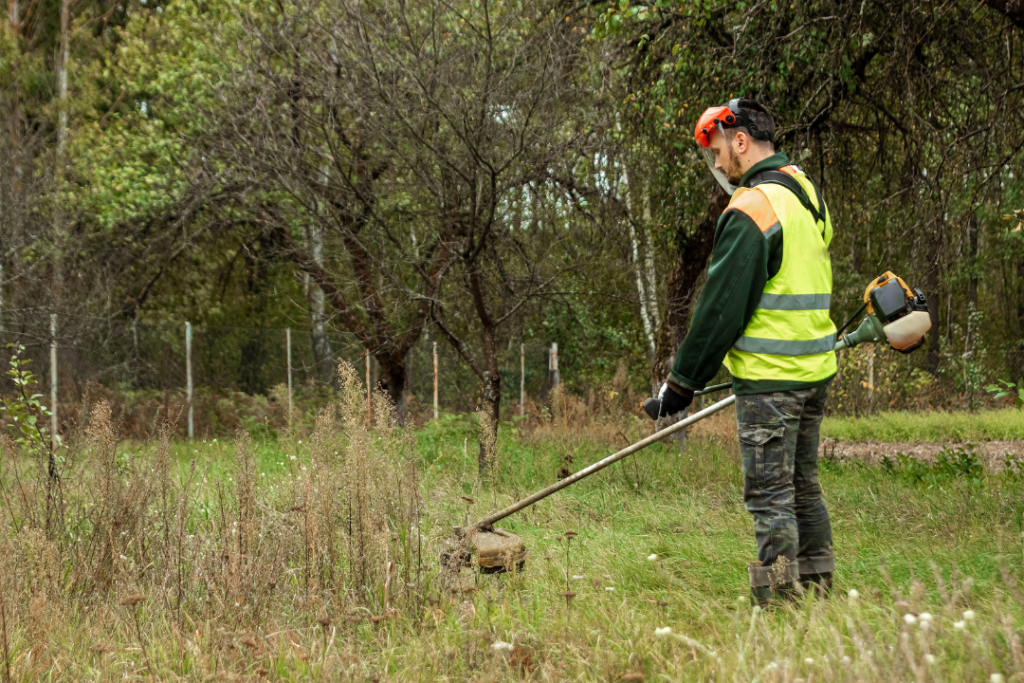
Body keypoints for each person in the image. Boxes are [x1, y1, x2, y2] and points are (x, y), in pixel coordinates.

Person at [651, 98, 837, 606]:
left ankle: (779, 604)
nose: (716, 165)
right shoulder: (806, 194)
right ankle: (819, 593)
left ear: (740, 141)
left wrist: (681, 385)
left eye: (716, 152)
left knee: (771, 495)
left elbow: (720, 310)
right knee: (803, 487)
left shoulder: (753, 206)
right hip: (814, 370)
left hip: (771, 380)